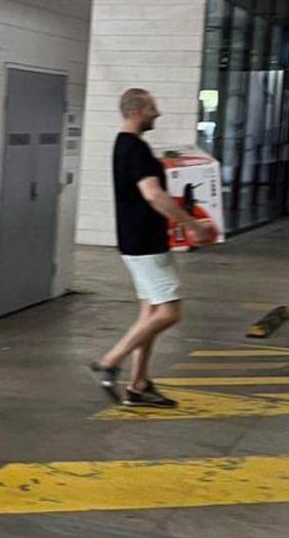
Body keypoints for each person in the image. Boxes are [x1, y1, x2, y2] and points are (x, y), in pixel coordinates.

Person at [89, 88, 214, 408]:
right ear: (135, 112)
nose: (156, 114)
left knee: (150, 313)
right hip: (145, 243)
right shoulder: (136, 151)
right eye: (151, 109)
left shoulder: (124, 146)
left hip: (137, 240)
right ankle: (110, 363)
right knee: (170, 312)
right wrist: (192, 224)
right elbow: (154, 195)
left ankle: (139, 384)